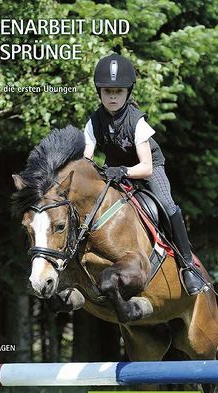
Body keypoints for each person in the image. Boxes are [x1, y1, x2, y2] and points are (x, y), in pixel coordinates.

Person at [84, 52, 209, 296]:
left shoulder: (136, 121)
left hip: (146, 169)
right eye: (107, 91)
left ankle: (187, 264)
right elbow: (86, 159)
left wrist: (123, 171)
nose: (112, 96)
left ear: (128, 92)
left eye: (118, 91)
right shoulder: (94, 121)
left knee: (167, 204)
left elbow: (146, 167)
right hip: (114, 171)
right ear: (99, 92)